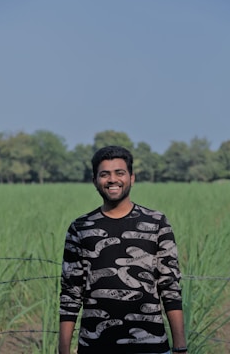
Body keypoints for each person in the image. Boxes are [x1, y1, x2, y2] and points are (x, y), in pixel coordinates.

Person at [59, 145, 188, 354]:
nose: (112, 180)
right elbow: (70, 293)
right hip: (95, 347)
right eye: (104, 174)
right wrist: (63, 350)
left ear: (132, 178)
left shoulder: (156, 223)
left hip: (151, 346)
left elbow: (170, 287)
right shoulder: (80, 228)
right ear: (95, 181)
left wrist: (180, 347)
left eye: (120, 173)